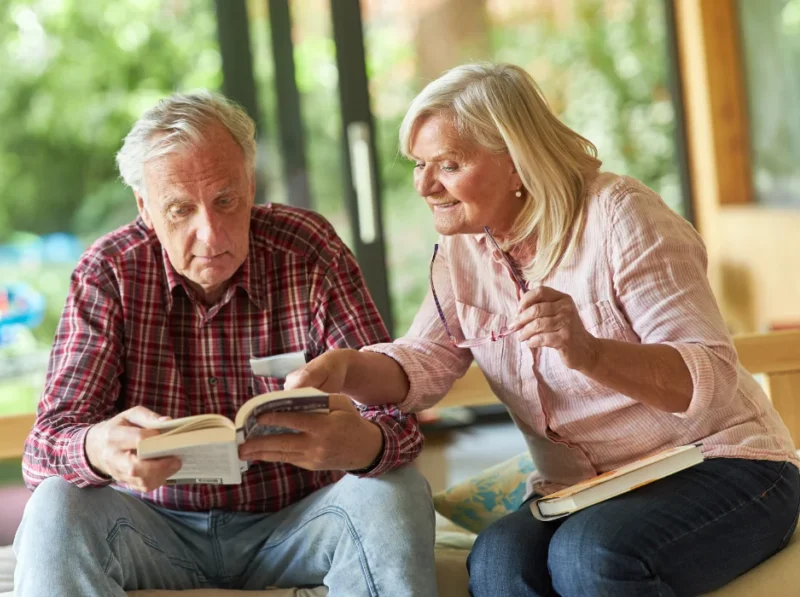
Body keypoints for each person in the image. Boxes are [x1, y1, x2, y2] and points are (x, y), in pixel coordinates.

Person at [285, 62, 800, 596]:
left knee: (591, 553)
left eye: (449, 164)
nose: (425, 185)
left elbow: (708, 379)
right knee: (497, 560)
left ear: (517, 161)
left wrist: (590, 353)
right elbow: (424, 363)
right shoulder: (463, 252)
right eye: (419, 164)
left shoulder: (622, 217)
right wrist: (347, 368)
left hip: (721, 464)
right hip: (586, 489)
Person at [13, 91, 437, 597]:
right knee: (54, 505)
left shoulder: (307, 249)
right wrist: (98, 447)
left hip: (297, 525)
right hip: (151, 528)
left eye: (226, 200)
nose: (210, 235)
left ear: (250, 184)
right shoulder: (109, 273)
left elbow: (398, 426)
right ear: (145, 208)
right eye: (180, 210)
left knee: (399, 491)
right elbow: (43, 448)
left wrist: (363, 446)